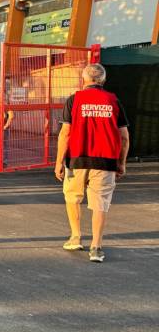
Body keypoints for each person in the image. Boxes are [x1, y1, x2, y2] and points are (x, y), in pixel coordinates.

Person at [55, 64, 129, 263]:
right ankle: (96, 247)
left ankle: (75, 237)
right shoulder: (113, 100)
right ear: (103, 80)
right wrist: (121, 163)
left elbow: (65, 133)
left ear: (84, 79)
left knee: (72, 197)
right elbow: (124, 137)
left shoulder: (74, 100)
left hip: (77, 159)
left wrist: (59, 161)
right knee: (100, 203)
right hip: (105, 161)